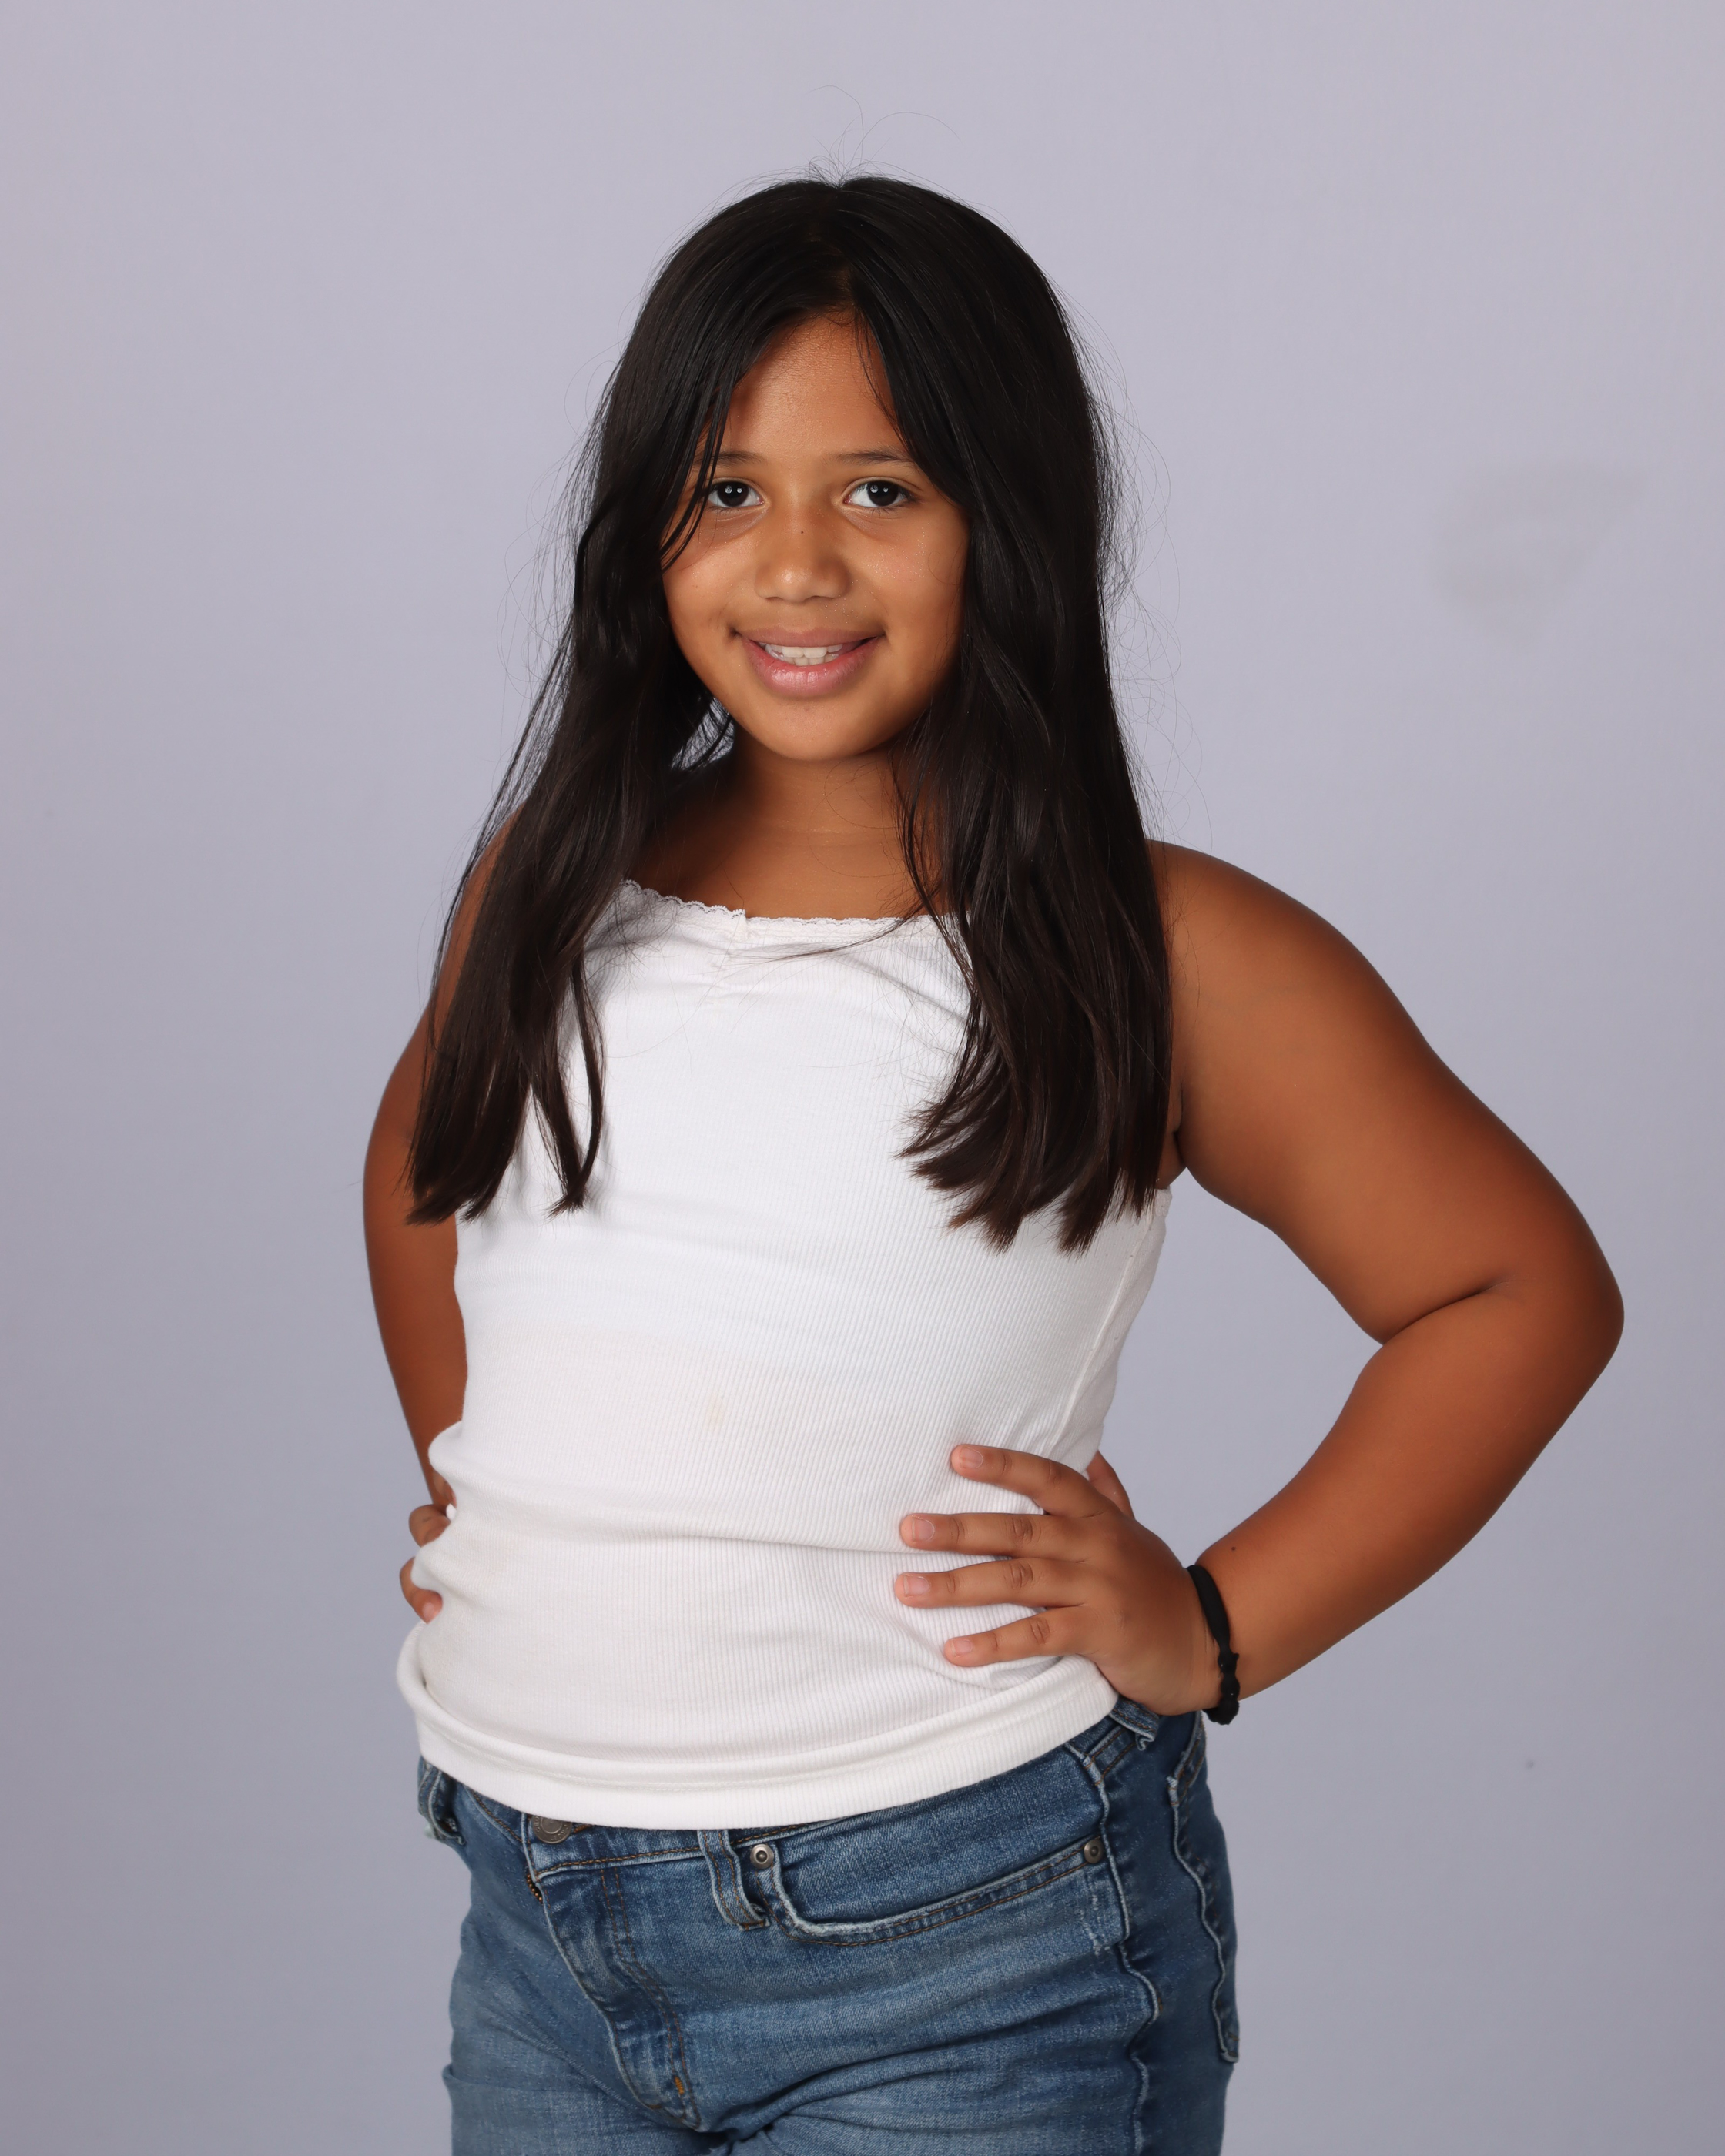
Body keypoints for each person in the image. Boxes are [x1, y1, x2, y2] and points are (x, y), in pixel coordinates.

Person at [363, 174, 1621, 2154]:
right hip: (538, 1920)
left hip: (969, 1942)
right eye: (723, 489)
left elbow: (1516, 1289)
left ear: (1005, 520)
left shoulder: (1155, 945)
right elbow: (431, 1163)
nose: (794, 562)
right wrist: (492, 1478)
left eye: (879, 490)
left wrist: (1213, 1623)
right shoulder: (552, 882)